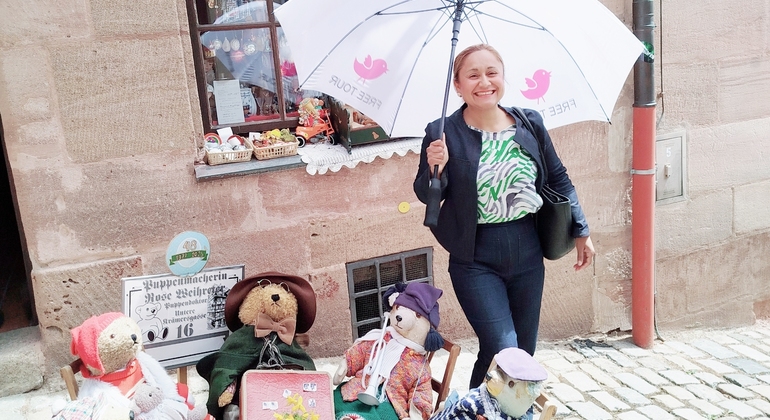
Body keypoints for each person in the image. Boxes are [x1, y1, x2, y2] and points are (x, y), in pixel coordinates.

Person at [413, 44, 595, 391]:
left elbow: (558, 178)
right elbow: (427, 195)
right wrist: (437, 167)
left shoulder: (529, 123)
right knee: (503, 347)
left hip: (527, 249)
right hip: (474, 256)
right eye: (473, 75)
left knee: (522, 352)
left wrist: (581, 230)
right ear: (458, 86)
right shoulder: (442, 132)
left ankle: (484, 410)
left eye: (492, 72)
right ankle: (480, 410)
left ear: (502, 77)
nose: (484, 82)